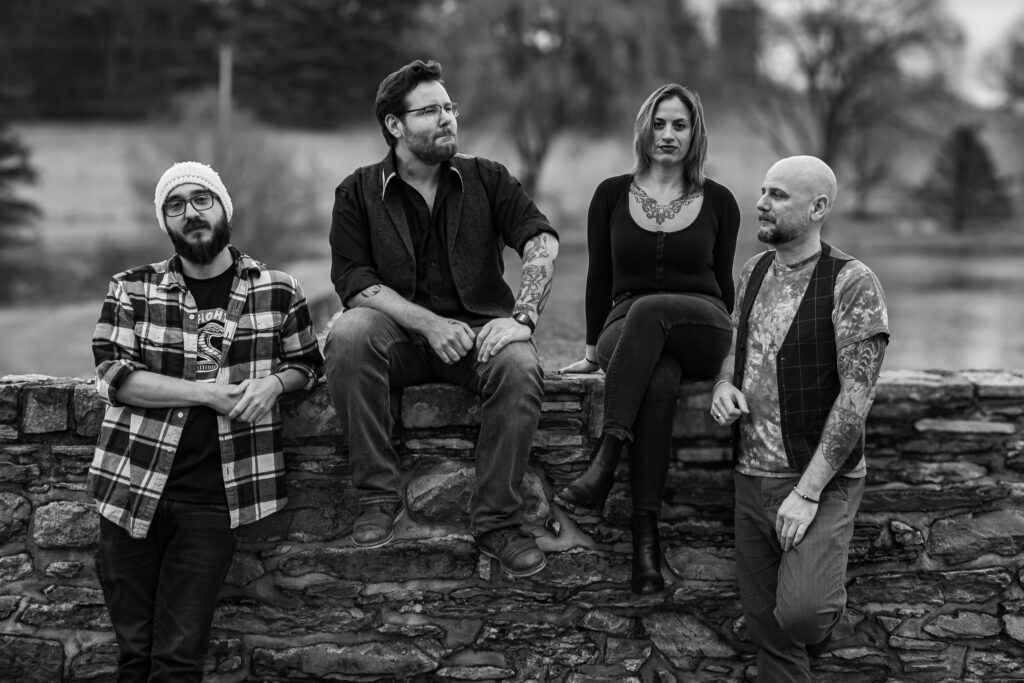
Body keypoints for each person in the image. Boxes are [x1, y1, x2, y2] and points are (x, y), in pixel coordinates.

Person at [89, 161, 325, 682]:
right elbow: (113, 375)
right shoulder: (131, 289)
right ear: (165, 223)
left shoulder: (278, 289)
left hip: (213, 502)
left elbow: (307, 364)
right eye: (175, 205)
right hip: (129, 489)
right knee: (133, 658)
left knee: (177, 661)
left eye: (201, 200)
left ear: (223, 209)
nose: (190, 213)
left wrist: (274, 384)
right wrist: (209, 396)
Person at [324, 59, 559, 578]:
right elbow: (354, 282)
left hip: (479, 336)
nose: (448, 118)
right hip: (399, 340)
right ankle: (376, 497)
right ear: (394, 125)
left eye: (449, 107)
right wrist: (428, 324)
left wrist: (522, 316)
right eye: (430, 110)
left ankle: (497, 520)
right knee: (349, 333)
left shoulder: (488, 177)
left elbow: (539, 239)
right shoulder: (357, 191)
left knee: (520, 366)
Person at [555, 83, 739, 594]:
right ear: (644, 129)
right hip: (624, 327)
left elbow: (724, 288)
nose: (668, 134)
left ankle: (607, 456)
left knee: (654, 310)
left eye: (680, 124)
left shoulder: (719, 201)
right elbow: (598, 279)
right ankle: (645, 542)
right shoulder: (611, 194)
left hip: (701, 323)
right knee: (657, 377)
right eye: (659, 123)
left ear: (695, 133)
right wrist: (592, 354)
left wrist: (729, 366)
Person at [710, 156, 889, 681]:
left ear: (817, 208)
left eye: (778, 195)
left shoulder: (853, 283)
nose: (762, 203)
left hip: (818, 483)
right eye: (763, 190)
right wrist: (724, 383)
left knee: (802, 616)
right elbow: (734, 345)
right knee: (769, 631)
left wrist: (808, 493)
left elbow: (856, 399)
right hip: (750, 477)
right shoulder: (754, 271)